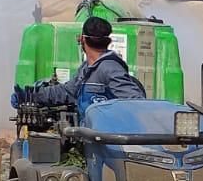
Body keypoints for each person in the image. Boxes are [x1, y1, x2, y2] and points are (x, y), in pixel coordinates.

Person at [14, 14, 146, 112]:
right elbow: (67, 92)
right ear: (107, 41)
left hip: (105, 141)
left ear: (82, 39)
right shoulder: (86, 68)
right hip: (88, 135)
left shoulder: (110, 68)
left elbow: (137, 102)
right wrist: (31, 96)